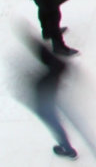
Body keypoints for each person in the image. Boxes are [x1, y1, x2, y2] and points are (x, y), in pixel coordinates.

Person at [19, 30, 78, 160]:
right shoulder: (57, 65)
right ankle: (67, 148)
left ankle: (67, 149)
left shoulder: (46, 74)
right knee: (57, 120)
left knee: (53, 122)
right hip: (53, 92)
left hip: (44, 98)